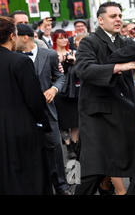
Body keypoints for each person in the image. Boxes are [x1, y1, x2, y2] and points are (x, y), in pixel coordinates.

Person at [74, 1, 135, 195]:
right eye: (113, 16)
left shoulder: (126, 42)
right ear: (100, 19)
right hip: (98, 115)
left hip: (125, 110)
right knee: (94, 171)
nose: (119, 19)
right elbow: (84, 69)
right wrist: (119, 67)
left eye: (120, 16)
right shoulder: (90, 41)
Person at [15, 23, 70, 195]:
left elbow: (61, 77)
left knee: (55, 149)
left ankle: (61, 186)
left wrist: (54, 89)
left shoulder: (50, 54)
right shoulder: (13, 57)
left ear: (25, 37)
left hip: (49, 112)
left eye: (15, 36)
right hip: (24, 113)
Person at [0, 17, 51, 195]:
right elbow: (34, 100)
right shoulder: (20, 62)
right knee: (30, 179)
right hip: (22, 128)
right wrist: (44, 123)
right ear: (12, 36)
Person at [52, 29, 80, 160]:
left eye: (65, 37)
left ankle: (74, 145)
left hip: (73, 91)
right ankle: (68, 146)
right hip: (59, 92)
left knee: (75, 121)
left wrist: (74, 62)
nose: (64, 40)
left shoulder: (73, 53)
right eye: (60, 38)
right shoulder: (51, 55)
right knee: (63, 122)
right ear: (55, 40)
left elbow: (80, 71)